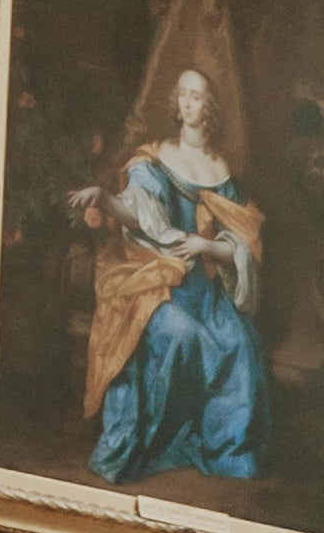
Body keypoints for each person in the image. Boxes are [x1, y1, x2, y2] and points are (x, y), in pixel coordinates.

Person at [80, 65, 266, 488]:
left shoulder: (224, 174)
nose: (187, 103)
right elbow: (140, 213)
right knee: (181, 335)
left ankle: (224, 449)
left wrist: (207, 247)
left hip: (209, 289)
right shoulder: (155, 160)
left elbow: (244, 244)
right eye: (182, 94)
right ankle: (155, 442)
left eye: (197, 96)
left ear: (210, 108)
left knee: (240, 344)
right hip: (162, 283)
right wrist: (106, 200)